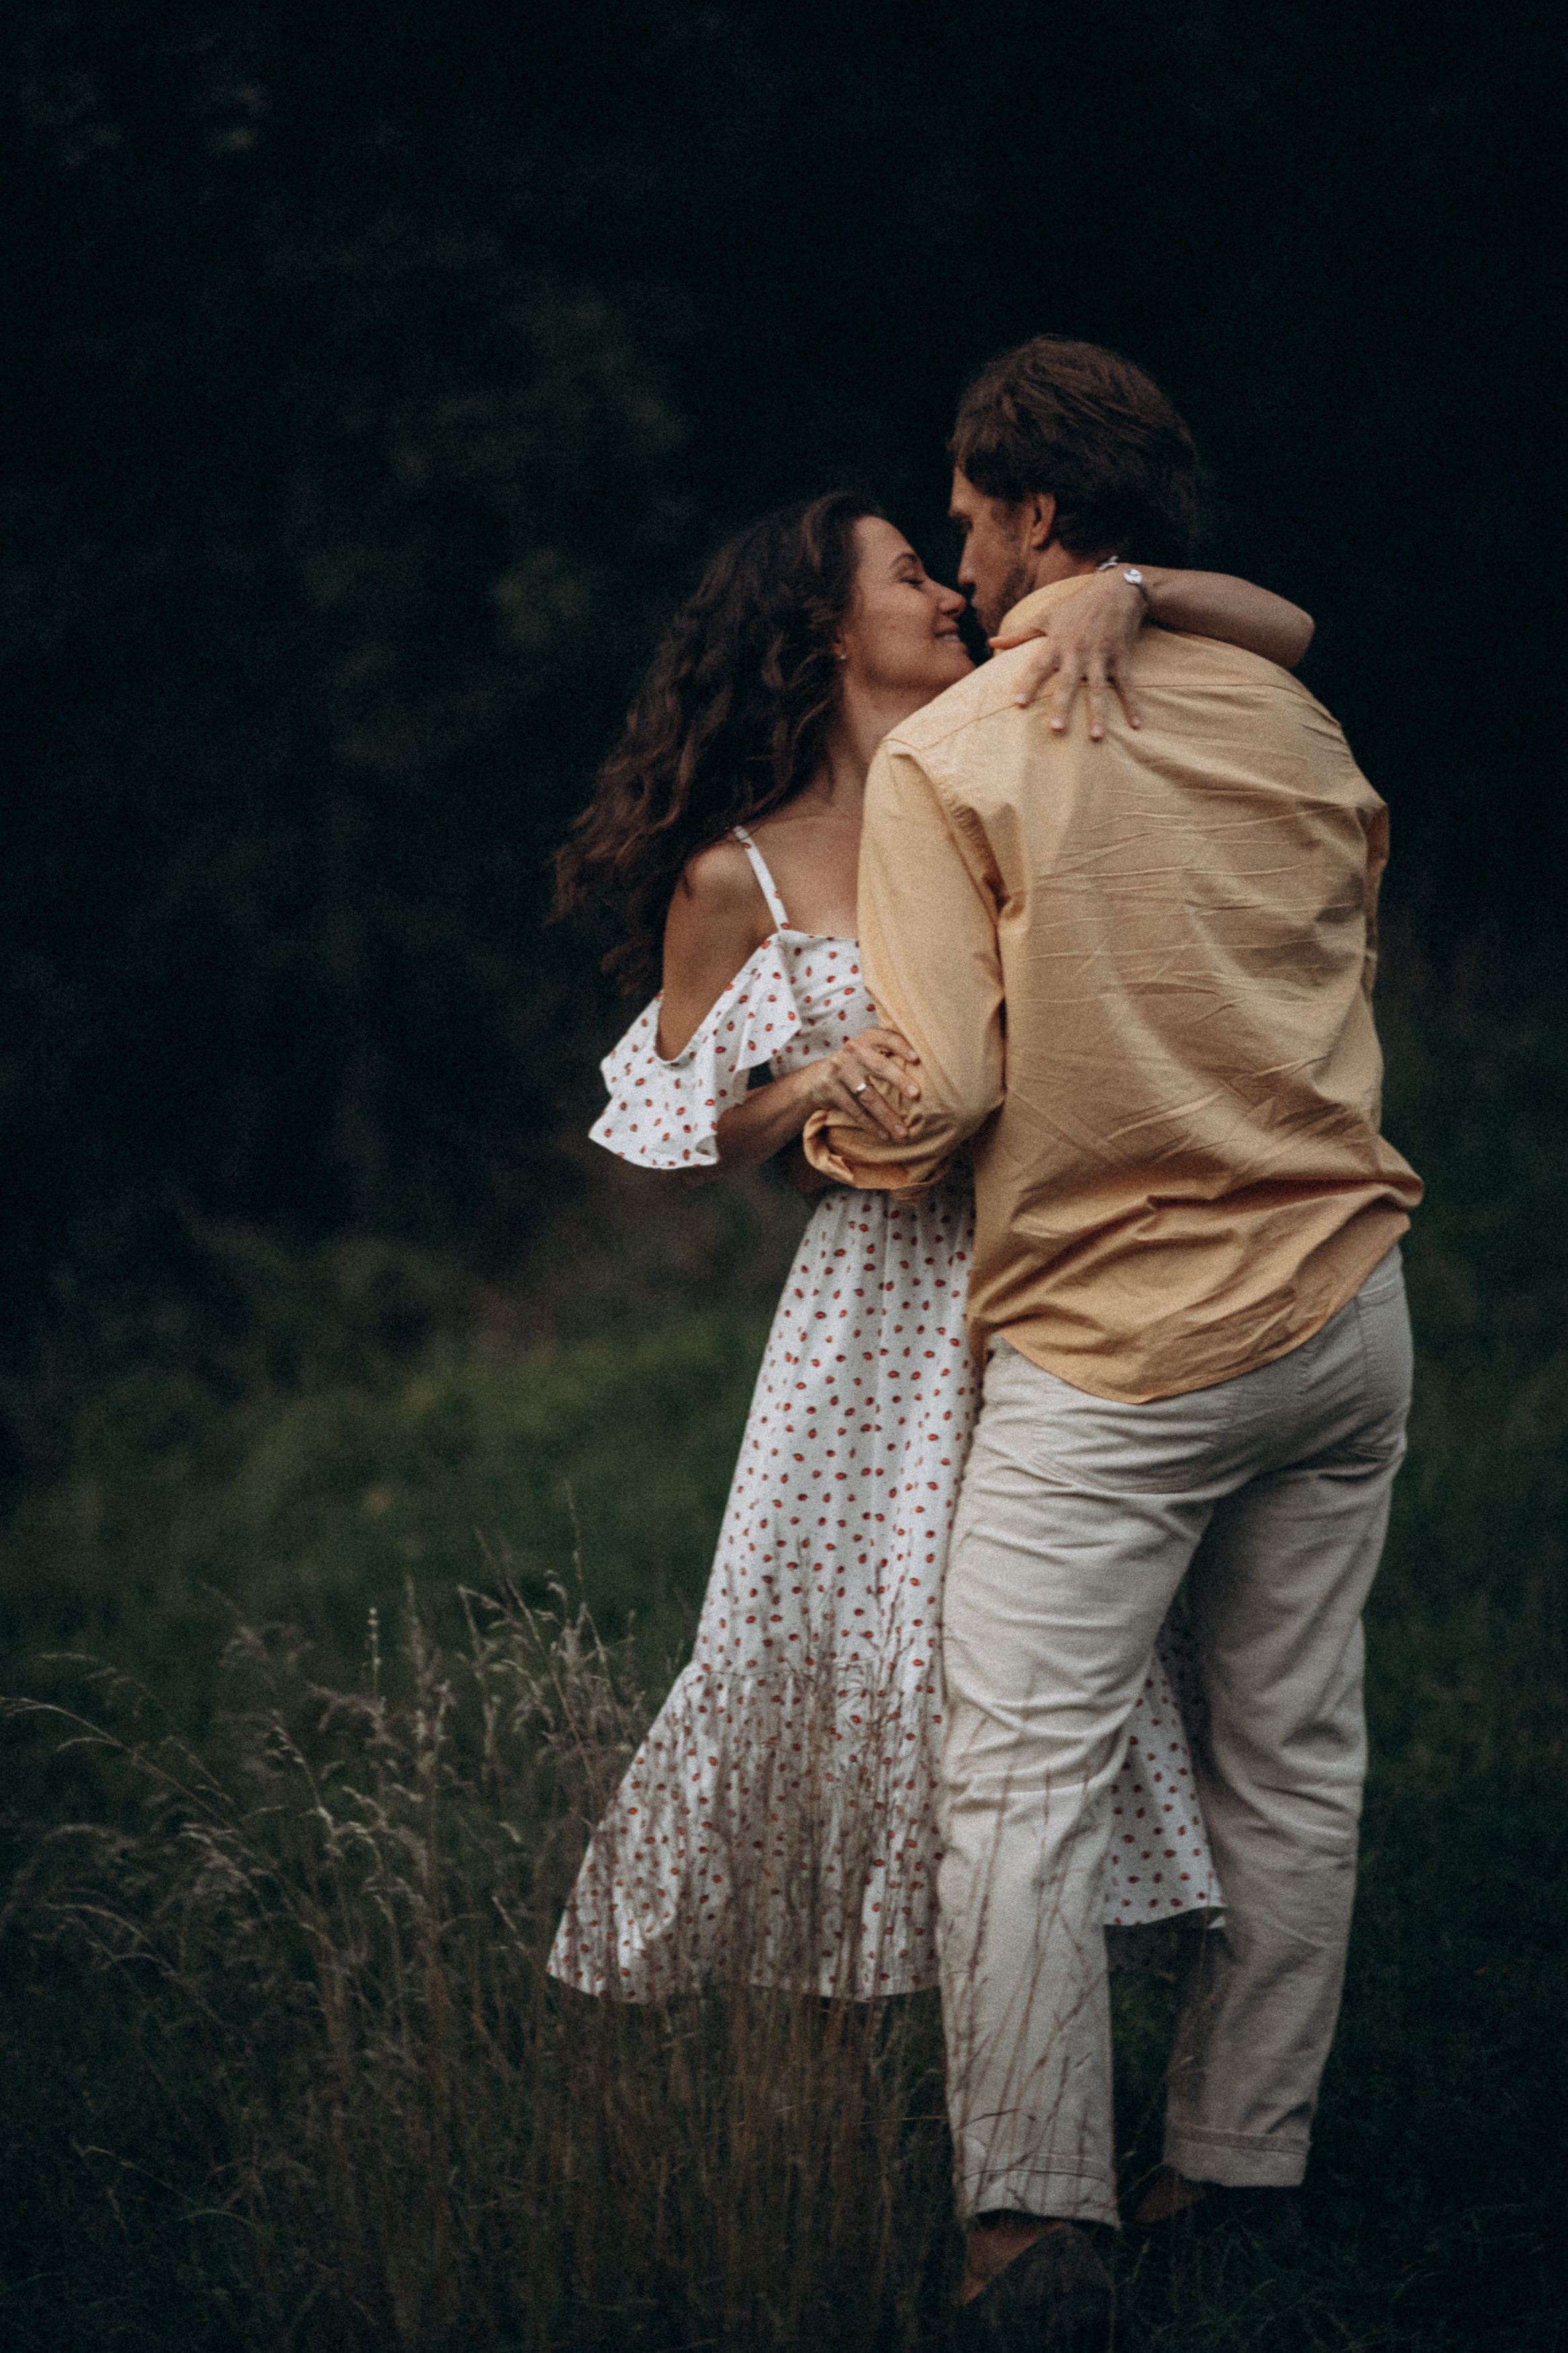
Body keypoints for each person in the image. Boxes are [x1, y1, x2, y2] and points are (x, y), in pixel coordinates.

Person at [802, 337, 1423, 2348]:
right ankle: (1238, 2176)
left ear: (1036, 512)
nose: (963, 561)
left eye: (968, 516)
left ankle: (1030, 2224)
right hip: (1343, 1308)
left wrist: (808, 1110)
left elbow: (944, 1086)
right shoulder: (1292, 713)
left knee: (1015, 1777)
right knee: (1292, 1756)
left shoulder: (951, 754)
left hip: (1113, 1355)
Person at [547, 489, 1315, 2006]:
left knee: (1061, 1653)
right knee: (863, 1634)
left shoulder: (1008, 743)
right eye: (912, 576)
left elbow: (1288, 635)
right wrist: (809, 1089)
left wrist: (1128, 594)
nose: (951, 595)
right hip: (879, 1309)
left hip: (1067, 1251)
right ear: (824, 628)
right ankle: (839, 1993)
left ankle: (1069, 1980)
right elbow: (668, 1137)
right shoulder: (738, 878)